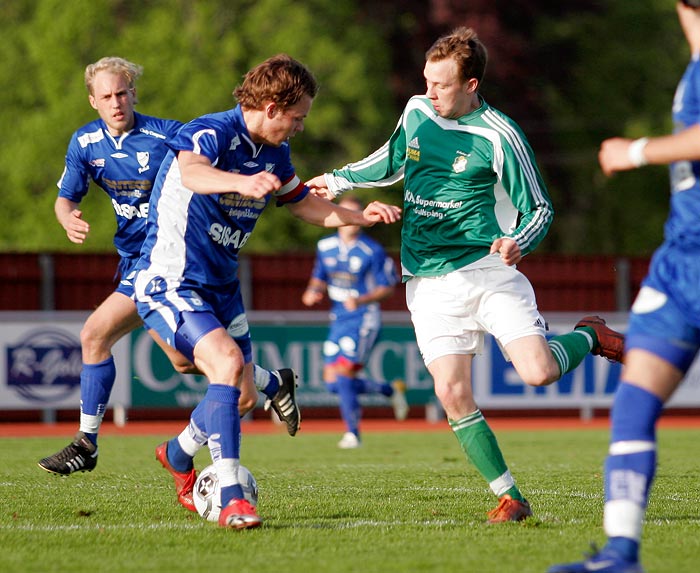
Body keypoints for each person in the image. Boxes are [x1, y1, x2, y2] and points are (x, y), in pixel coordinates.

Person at [307, 27, 624, 523]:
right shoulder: (417, 111)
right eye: (427, 81)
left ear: (472, 84)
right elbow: (388, 161)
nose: (429, 93)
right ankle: (510, 496)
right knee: (451, 392)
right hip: (428, 282)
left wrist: (520, 240)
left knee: (539, 373)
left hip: (488, 271)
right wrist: (337, 179)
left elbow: (538, 208)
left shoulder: (501, 136)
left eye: (442, 85)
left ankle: (590, 335)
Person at [133, 54, 401, 529]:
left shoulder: (276, 155)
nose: (300, 127)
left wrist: (363, 217)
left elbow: (305, 206)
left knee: (240, 397)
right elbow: (193, 173)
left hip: (221, 285)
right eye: (297, 117)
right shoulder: (211, 131)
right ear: (273, 106)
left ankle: (177, 454)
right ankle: (233, 498)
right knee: (228, 366)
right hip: (172, 278)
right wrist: (243, 182)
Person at [38, 56, 300, 478]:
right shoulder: (85, 143)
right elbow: (65, 197)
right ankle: (270, 382)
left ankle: (88, 444)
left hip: (165, 261)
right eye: (106, 96)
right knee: (183, 363)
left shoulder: (167, 134)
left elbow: (204, 165)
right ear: (93, 101)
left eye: (122, 92)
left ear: (134, 93)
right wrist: (66, 214)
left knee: (98, 334)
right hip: (137, 262)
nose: (116, 102)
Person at [548, 2, 700, 571]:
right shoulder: (693, 65)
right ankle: (620, 553)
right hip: (679, 262)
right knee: (633, 402)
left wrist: (635, 151)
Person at [301, 194, 408, 449]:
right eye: (342, 214)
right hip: (338, 319)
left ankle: (353, 434)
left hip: (364, 319)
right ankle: (389, 390)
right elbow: (319, 276)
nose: (348, 221)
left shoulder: (371, 251)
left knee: (344, 373)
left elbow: (387, 287)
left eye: (353, 216)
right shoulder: (325, 246)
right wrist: (312, 290)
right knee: (332, 383)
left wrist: (360, 300)